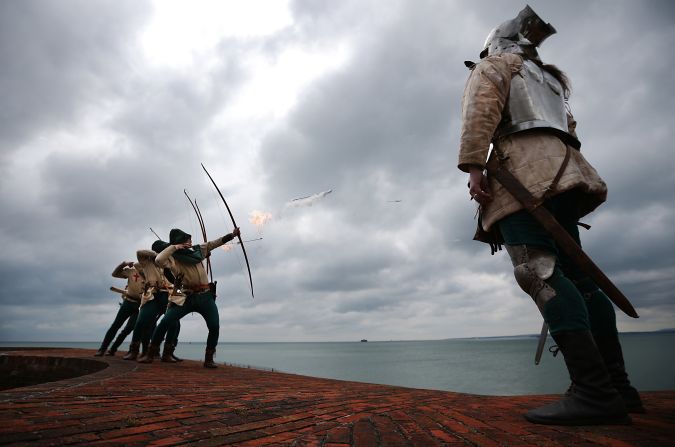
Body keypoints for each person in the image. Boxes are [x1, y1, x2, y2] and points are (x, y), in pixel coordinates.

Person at [457, 6, 643, 425]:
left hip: (524, 178)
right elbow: (571, 132)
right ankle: (618, 388)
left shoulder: (494, 66)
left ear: (492, 46)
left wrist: (473, 167)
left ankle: (595, 392)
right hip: (565, 176)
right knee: (578, 277)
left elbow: (480, 112)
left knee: (535, 270)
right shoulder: (551, 81)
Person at [141, 227, 240, 368]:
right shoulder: (172, 258)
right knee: (165, 322)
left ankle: (209, 358)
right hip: (187, 297)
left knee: (214, 326)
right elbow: (158, 259)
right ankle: (151, 354)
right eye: (188, 240)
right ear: (181, 242)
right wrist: (174, 247)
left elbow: (214, 243)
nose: (191, 242)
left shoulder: (198, 250)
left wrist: (232, 235)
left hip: (205, 296)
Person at [122, 241, 181, 362]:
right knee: (141, 321)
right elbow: (139, 252)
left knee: (174, 323)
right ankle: (134, 351)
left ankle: (167, 353)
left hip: (167, 295)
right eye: (163, 250)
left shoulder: (168, 261)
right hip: (152, 295)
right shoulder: (145, 262)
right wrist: (156, 255)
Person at [94, 261, 144, 356]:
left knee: (130, 328)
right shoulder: (132, 270)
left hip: (141, 305)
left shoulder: (152, 272)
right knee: (116, 325)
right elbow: (115, 274)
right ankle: (102, 349)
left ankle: (116, 349)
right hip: (128, 302)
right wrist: (123, 264)